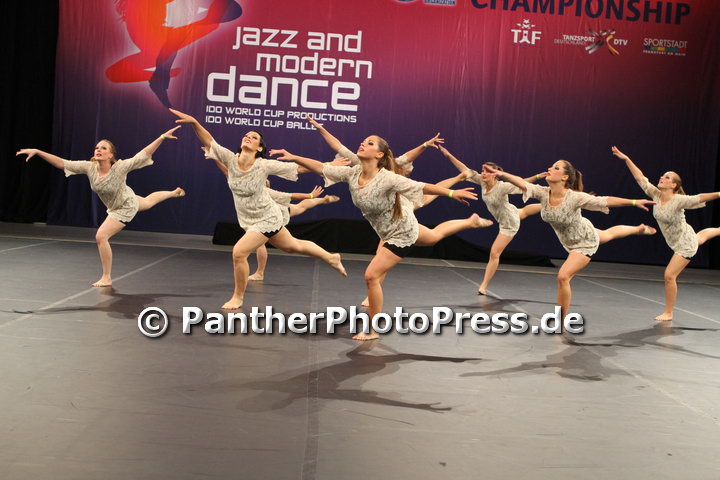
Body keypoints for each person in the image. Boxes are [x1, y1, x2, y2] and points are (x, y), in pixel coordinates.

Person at [271, 118, 492, 341]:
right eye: (363, 141)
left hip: (401, 232)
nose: (363, 144)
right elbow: (322, 167)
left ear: (379, 154)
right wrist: (294, 156)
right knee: (433, 236)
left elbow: (421, 187)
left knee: (372, 275)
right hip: (389, 226)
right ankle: (470, 222)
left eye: (370, 143)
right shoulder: (353, 172)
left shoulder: (388, 178)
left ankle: (373, 329)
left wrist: (452, 193)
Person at [170, 109, 346, 309]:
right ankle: (330, 256)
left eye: (254, 137)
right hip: (248, 219)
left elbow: (300, 168)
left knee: (239, 253)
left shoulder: (264, 165)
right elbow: (210, 142)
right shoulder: (230, 160)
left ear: (259, 147)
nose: (248, 137)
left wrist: (329, 165)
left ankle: (238, 297)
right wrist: (194, 121)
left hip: (267, 217)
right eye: (246, 135)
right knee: (292, 246)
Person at [483, 160, 656, 319]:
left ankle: (561, 320)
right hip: (569, 240)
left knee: (563, 276)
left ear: (564, 177)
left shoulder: (574, 197)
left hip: (584, 240)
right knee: (608, 234)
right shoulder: (543, 193)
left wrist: (633, 202)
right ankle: (638, 229)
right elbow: (521, 183)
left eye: (556, 168)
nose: (550, 169)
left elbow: (604, 201)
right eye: (551, 166)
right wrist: (501, 174)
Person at [16, 127, 186, 287]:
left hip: (125, 206)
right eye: (97, 147)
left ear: (111, 155)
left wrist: (162, 137)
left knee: (101, 236)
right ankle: (173, 193)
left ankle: (107, 277)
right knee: (148, 202)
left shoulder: (119, 167)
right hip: (121, 201)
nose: (98, 150)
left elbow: (143, 154)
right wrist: (38, 151)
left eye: (103, 148)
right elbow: (62, 163)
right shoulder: (89, 167)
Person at [612, 146, 720, 321]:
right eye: (662, 176)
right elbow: (640, 178)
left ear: (674, 185)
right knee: (700, 237)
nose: (662, 178)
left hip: (684, 244)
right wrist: (626, 159)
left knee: (669, 275)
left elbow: (700, 197)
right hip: (681, 237)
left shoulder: (679, 200)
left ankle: (668, 313)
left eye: (667, 177)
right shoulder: (655, 195)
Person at [209, 153, 340, 281]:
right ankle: (323, 200)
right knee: (299, 211)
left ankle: (260, 272)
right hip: (261, 216)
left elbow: (292, 193)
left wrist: (311, 194)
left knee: (299, 209)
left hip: (274, 215)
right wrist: (215, 155)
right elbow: (228, 172)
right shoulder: (245, 184)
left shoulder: (265, 190)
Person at [439, 145, 547, 295]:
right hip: (511, 211)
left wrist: (538, 176)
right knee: (523, 212)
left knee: (494, 253)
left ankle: (483, 286)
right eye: (483, 170)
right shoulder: (482, 181)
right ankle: (548, 204)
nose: (484, 173)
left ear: (495, 175)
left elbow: (522, 182)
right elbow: (465, 170)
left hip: (509, 223)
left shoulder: (503, 187)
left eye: (488, 172)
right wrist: (449, 155)